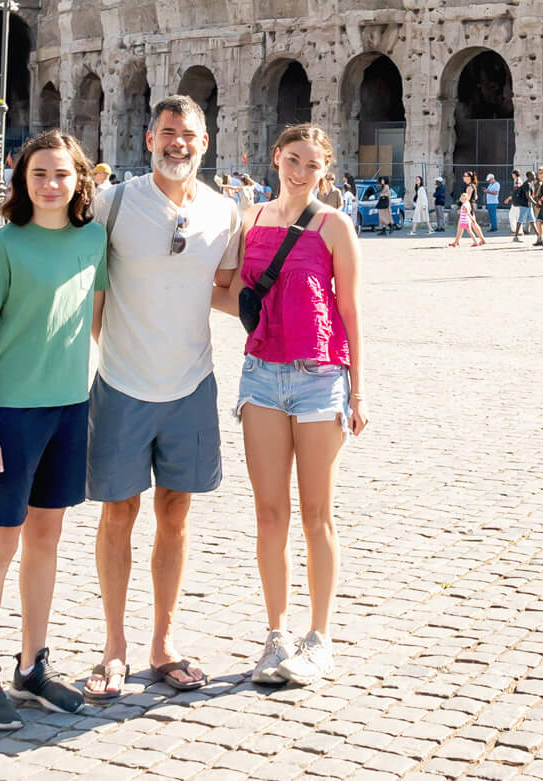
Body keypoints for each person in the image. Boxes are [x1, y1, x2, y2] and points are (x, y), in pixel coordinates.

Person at [82, 96, 243, 701]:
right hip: (123, 385)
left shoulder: (225, 213)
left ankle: (163, 643)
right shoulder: (113, 203)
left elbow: (223, 291)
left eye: (190, 135)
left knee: (175, 516)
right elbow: (92, 295)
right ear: (150, 137)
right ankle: (114, 647)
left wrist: (287, 318)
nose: (179, 143)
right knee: (117, 515)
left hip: (192, 386)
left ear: (206, 142)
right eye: (168, 133)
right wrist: (119, 351)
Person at [0, 130, 108, 731]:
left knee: (46, 540)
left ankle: (32, 665)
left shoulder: (93, 239)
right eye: (39, 174)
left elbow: (93, 324)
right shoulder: (4, 245)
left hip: (71, 408)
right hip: (11, 414)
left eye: (62, 174)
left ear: (80, 181)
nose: (50, 184)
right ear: (23, 180)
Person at [220, 123, 368, 687]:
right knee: (269, 514)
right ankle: (276, 635)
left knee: (316, 515)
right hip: (260, 375)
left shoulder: (336, 226)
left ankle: (320, 638)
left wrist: (359, 389)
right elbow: (234, 294)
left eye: (313, 165)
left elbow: (351, 311)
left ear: (325, 172)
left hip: (320, 376)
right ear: (276, 156)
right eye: (294, 159)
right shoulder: (250, 220)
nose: (301, 172)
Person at [449, 173, 485, 248]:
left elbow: (466, 199)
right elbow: (476, 197)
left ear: (469, 177)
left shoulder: (469, 186)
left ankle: (482, 239)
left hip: (468, 207)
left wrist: (461, 208)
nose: (463, 177)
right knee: (467, 224)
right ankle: (456, 242)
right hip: (470, 206)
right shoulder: (472, 185)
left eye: (464, 176)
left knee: (472, 224)